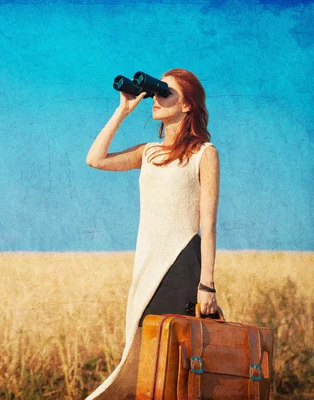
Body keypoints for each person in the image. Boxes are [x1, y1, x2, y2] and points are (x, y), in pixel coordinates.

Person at [84, 68, 220, 399]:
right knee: (144, 370)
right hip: (145, 271)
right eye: (155, 92)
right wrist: (123, 109)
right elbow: (95, 159)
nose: (156, 98)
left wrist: (207, 285)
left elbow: (208, 224)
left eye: (165, 92)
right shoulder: (148, 153)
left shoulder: (204, 153)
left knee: (169, 374)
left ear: (187, 105)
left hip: (182, 269)